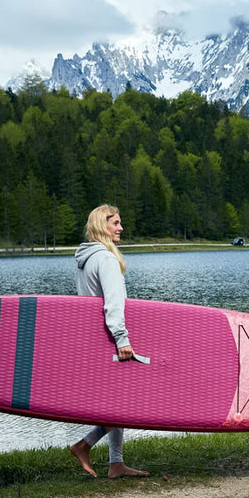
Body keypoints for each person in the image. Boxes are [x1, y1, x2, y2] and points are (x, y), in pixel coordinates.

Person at [69, 204, 150, 479]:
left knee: (118, 400)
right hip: (111, 338)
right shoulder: (106, 259)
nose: (121, 228)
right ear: (102, 226)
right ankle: (84, 445)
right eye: (115, 223)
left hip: (95, 338)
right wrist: (122, 339)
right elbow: (113, 304)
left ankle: (116, 463)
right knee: (128, 401)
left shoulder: (86, 259)